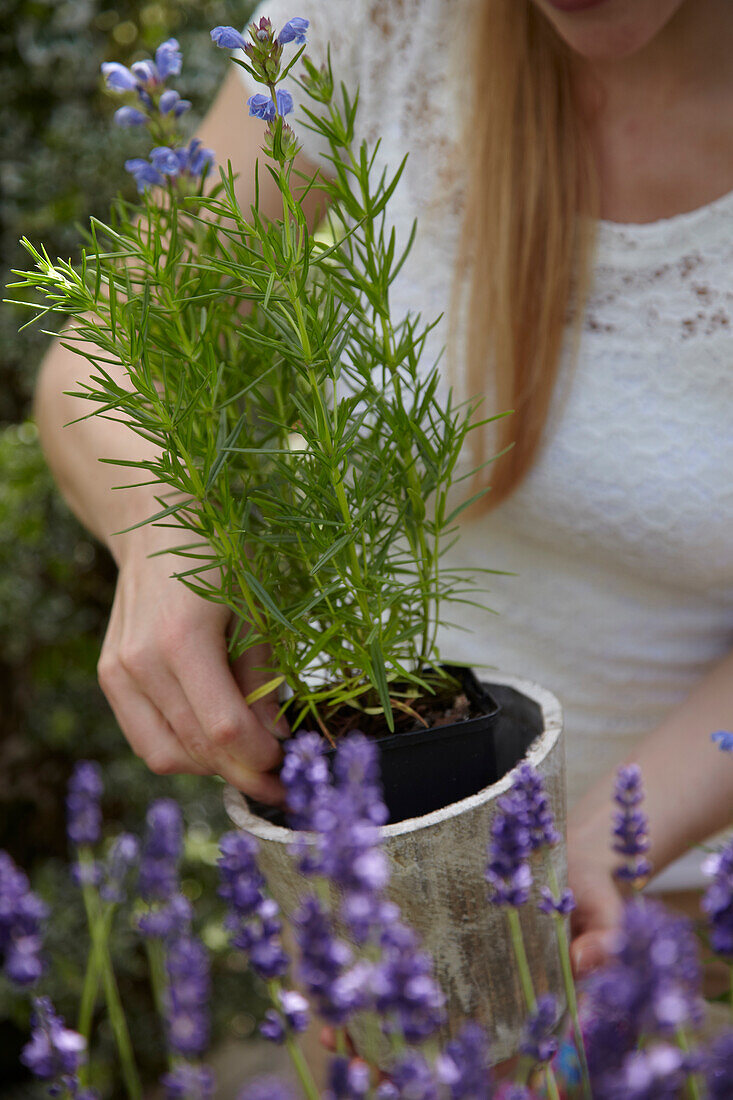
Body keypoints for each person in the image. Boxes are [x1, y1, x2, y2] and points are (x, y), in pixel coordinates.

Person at [35, 0, 733, 976]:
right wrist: (159, 535)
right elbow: (106, 350)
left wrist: (605, 838)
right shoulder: (378, 21)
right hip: (368, 894)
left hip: (669, 926)